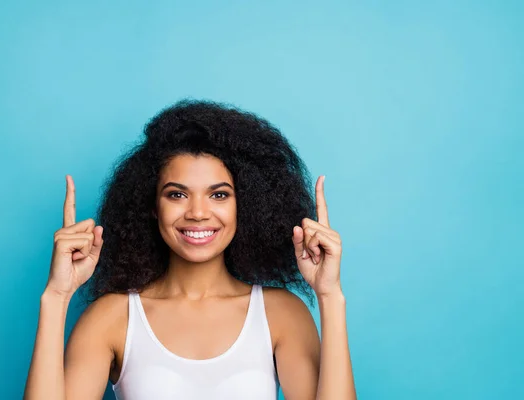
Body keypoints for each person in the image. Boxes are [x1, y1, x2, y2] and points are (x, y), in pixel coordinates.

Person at [24, 99, 356, 400]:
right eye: (177, 194)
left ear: (248, 205)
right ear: (153, 206)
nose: (197, 212)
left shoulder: (281, 315)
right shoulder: (112, 318)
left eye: (219, 195)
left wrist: (330, 296)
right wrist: (56, 297)